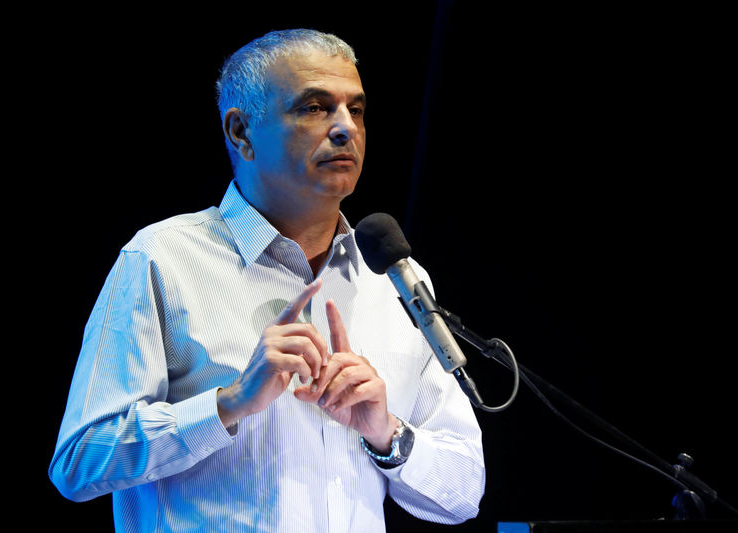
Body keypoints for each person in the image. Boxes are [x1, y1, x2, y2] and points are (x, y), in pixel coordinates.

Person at [49, 29, 485, 532]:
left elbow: (464, 491)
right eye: (315, 108)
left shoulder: (393, 279)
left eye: (357, 110)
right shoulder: (162, 258)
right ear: (241, 132)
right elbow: (80, 464)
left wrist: (387, 434)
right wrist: (228, 405)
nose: (346, 128)